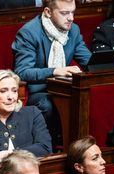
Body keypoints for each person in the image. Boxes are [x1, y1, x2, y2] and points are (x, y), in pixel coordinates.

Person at [12, 0, 91, 151]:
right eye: (64, 13)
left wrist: (110, 61)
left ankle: (78, 150)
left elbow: (89, 61)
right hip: (37, 92)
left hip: (64, 89)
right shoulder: (29, 32)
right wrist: (54, 71)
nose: (71, 18)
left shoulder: (73, 30)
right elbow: (21, 71)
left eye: (73, 12)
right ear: (48, 12)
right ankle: (49, 150)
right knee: (48, 105)